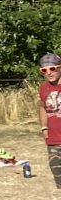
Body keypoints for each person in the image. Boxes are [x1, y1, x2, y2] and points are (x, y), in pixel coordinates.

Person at [40, 52, 61, 191]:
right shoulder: (43, 88)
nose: (49, 72)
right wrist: (44, 128)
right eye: (44, 70)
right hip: (53, 138)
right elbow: (42, 107)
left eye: (52, 69)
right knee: (57, 173)